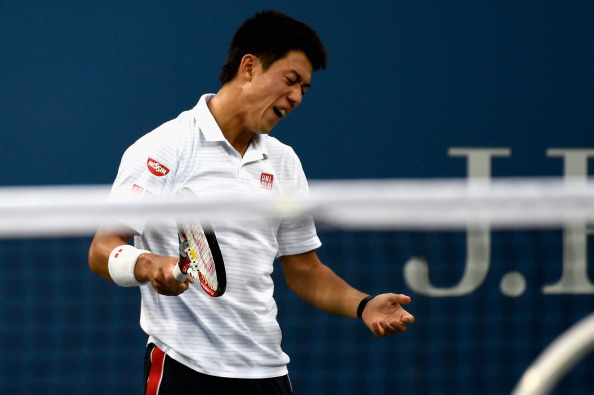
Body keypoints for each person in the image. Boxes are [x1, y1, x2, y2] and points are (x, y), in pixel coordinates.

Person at [88, 9, 414, 394]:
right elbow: (101, 250)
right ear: (249, 67)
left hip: (267, 372)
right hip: (184, 369)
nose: (295, 97)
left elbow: (304, 271)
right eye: (291, 81)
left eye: (304, 90)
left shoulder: (283, 162)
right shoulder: (166, 147)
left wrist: (363, 305)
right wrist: (146, 262)